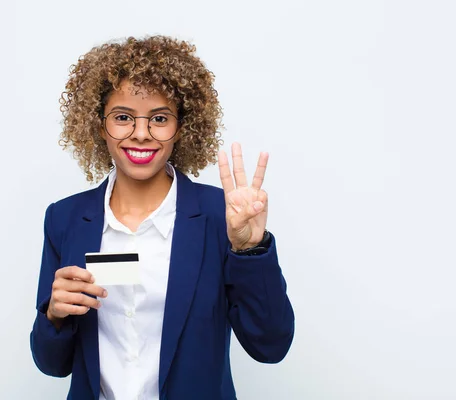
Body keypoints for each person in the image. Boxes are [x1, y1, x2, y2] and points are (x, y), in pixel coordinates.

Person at [30, 35, 294, 400]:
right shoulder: (65, 219)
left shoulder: (223, 217)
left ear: (182, 127)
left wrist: (251, 250)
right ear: (99, 123)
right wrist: (55, 316)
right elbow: (52, 364)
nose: (141, 133)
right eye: (123, 117)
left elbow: (271, 346)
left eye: (159, 118)